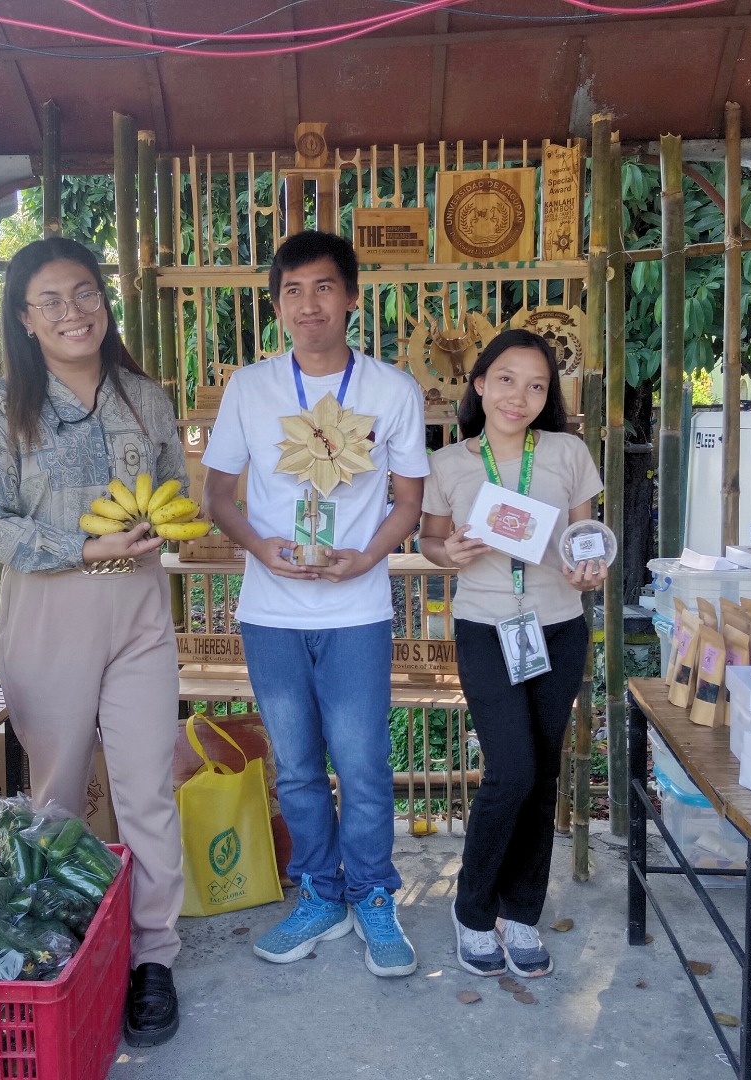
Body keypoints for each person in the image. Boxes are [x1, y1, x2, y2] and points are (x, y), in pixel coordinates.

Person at [0, 237, 185, 1045]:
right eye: (49, 301)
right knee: (55, 792)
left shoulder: (144, 398)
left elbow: (175, 487)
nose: (72, 312)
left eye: (85, 293)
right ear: (23, 319)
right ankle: (51, 944)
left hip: (138, 612)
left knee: (146, 788)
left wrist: (156, 523)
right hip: (49, 611)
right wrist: (83, 547)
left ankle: (153, 955)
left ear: (105, 300)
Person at [199, 231, 428, 977]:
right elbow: (217, 496)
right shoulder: (250, 388)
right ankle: (320, 894)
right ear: (277, 306)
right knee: (296, 767)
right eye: (292, 291)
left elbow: (408, 500)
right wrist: (260, 547)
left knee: (362, 764)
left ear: (352, 297)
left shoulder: (391, 390)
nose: (309, 305)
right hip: (271, 612)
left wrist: (368, 557)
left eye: (324, 287)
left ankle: (372, 894)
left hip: (357, 610)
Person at [419, 329, 604, 978]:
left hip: (558, 627)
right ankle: (473, 910)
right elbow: (431, 541)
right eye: (505, 379)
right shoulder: (448, 463)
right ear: (479, 384)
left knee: (544, 773)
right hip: (486, 628)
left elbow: (585, 536)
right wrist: (449, 553)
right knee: (512, 771)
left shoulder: (568, 452)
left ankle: (521, 911)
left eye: (536, 386)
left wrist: (589, 566)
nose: (518, 396)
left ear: (548, 396)